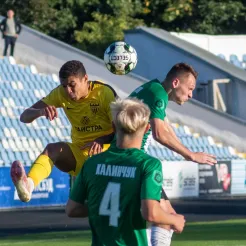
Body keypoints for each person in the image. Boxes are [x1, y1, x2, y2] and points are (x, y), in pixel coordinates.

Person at [88, 62, 217, 245]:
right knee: (166, 218)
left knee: (160, 217)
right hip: (134, 162)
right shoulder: (158, 95)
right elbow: (159, 133)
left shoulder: (152, 88)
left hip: (121, 157)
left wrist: (188, 152)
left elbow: (164, 127)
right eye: (189, 88)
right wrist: (190, 155)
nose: (190, 94)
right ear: (175, 83)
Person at [66, 98, 186, 245]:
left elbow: (72, 209)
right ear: (147, 128)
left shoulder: (91, 163)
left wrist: (106, 207)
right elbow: (151, 213)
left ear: (113, 127)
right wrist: (175, 219)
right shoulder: (148, 164)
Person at [11, 60, 117, 202]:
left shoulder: (104, 93)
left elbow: (122, 130)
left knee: (76, 210)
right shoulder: (60, 94)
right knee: (52, 149)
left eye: (72, 85)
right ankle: (28, 186)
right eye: (64, 86)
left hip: (107, 156)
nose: (68, 91)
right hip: (79, 155)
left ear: (85, 79)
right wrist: (41, 111)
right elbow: (24, 117)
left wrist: (102, 140)